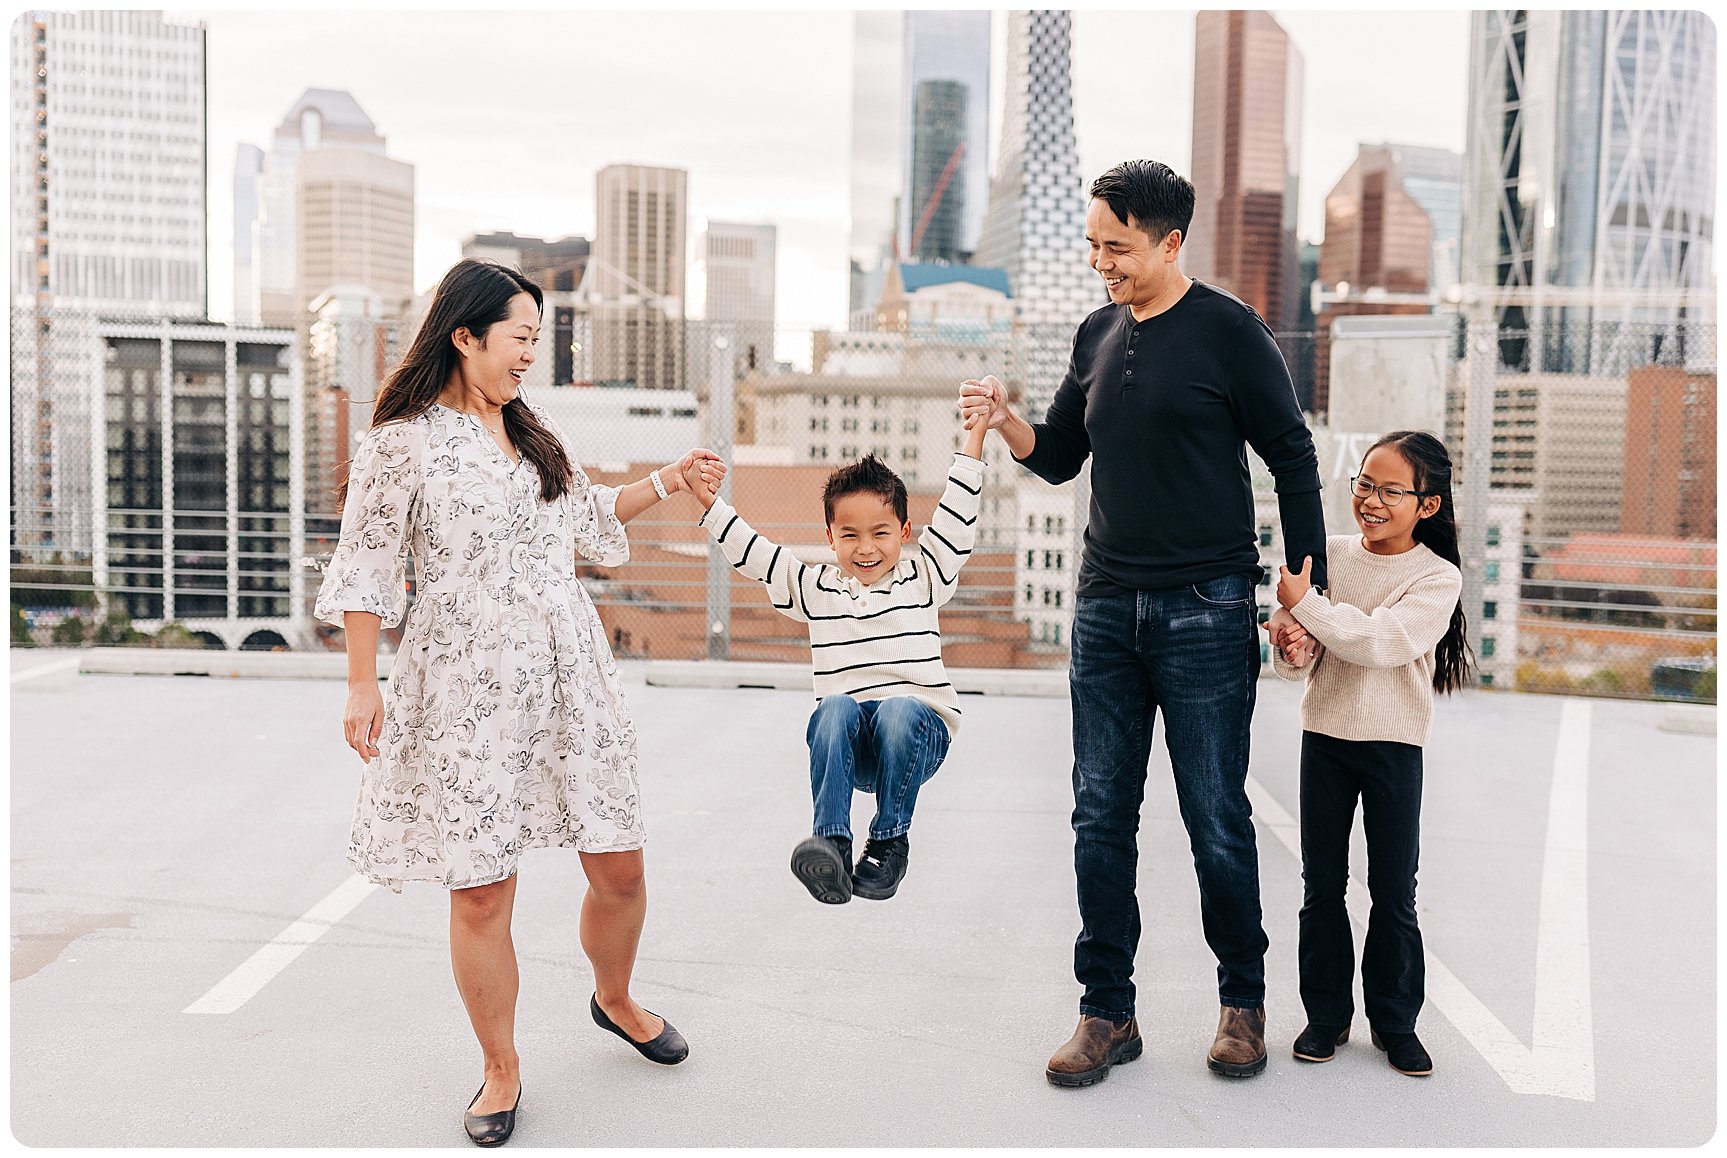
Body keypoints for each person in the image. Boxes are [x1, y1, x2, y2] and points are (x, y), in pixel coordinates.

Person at [314, 258, 723, 1146]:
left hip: (569, 673)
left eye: (538, 338)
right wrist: (358, 679)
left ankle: (613, 1000)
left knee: (619, 863)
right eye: (520, 338)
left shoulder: (535, 433)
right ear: (465, 336)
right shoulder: (402, 442)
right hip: (462, 684)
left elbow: (587, 517)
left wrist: (669, 478)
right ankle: (500, 1068)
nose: (530, 355)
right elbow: (366, 563)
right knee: (481, 889)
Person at [959, 159, 1329, 1085]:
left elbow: (1291, 457)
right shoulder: (1094, 334)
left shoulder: (1231, 333)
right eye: (1092, 243)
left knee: (1214, 818)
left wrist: (1302, 591)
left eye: (1115, 247)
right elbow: (1055, 458)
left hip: (1204, 609)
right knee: (1098, 819)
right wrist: (1006, 423)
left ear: (1170, 243)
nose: (1100, 261)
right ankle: (1106, 1015)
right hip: (1103, 611)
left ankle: (1241, 1005)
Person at [683, 395, 993, 904]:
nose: (866, 548)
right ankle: (832, 843)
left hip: (917, 736)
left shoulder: (926, 575)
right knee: (834, 708)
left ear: (905, 533)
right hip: (854, 747)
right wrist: (706, 503)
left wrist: (977, 434)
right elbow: (758, 556)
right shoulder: (818, 588)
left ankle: (889, 843)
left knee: (897, 710)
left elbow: (958, 513)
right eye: (849, 535)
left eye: (880, 534)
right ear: (830, 537)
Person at [1265, 430, 1470, 1079]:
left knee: (1392, 891)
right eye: (1363, 484)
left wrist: (1307, 608)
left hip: (1392, 746)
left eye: (1388, 490)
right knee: (1320, 887)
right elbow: (1303, 658)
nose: (1370, 500)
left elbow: (1380, 643)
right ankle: (1325, 1018)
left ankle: (1393, 1023)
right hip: (1324, 738)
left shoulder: (1437, 577)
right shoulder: (1325, 556)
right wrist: (1290, 647)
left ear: (1426, 505)